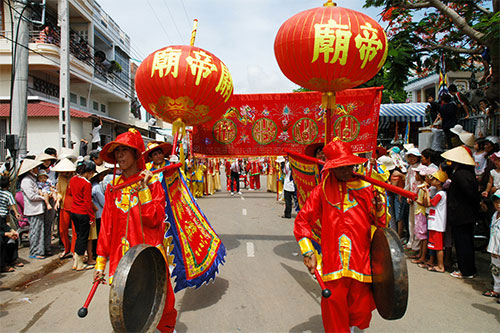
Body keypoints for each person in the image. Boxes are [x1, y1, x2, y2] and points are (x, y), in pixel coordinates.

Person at [294, 138, 386, 332]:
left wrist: (379, 208)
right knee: (334, 308)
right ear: (331, 168)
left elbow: (381, 224)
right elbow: (302, 221)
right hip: (332, 262)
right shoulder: (321, 191)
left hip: (361, 261)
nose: (346, 171)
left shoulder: (366, 188)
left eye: (348, 166)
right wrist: (308, 252)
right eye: (340, 167)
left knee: (361, 310)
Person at [95, 129, 177, 332]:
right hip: (121, 256)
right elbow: (106, 227)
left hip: (149, 253)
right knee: (125, 305)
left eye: (124, 150)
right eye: (117, 152)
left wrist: (143, 189)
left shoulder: (153, 185)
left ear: (136, 154)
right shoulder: (113, 188)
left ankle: (166, 328)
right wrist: (100, 263)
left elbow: (154, 219)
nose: (119, 155)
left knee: (159, 298)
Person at [442, 146, 480, 279]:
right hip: (465, 214)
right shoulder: (466, 173)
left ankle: (466, 270)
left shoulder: (461, 175)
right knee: (465, 242)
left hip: (462, 214)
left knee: (463, 242)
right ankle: (467, 268)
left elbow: (470, 194)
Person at [19, 158, 50, 259]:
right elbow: (31, 196)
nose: (37, 169)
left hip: (38, 209)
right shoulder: (26, 181)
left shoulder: (32, 179)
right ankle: (35, 251)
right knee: (35, 231)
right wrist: (43, 197)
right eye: (36, 168)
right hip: (33, 209)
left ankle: (40, 250)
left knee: (40, 230)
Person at [69, 160, 96, 271]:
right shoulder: (86, 183)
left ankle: (76, 262)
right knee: (83, 238)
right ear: (88, 172)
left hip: (73, 211)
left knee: (78, 235)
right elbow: (87, 202)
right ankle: (80, 263)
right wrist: (92, 217)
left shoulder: (73, 179)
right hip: (82, 212)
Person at [423, 170, 448, 273]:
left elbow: (430, 204)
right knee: (434, 245)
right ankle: (437, 264)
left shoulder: (441, 194)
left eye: (434, 179)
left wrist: (426, 191)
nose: (431, 181)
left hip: (438, 223)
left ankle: (441, 266)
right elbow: (426, 203)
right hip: (433, 222)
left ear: (439, 182)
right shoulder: (438, 193)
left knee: (438, 247)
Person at [52, 158, 76, 259]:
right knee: (62, 230)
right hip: (64, 206)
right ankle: (67, 248)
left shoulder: (75, 178)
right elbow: (60, 193)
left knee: (75, 230)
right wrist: (57, 200)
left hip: (74, 206)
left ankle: (74, 250)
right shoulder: (60, 179)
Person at [0, 176, 23, 272]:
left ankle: (12, 260)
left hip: (3, 225)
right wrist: (6, 233)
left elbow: (2, 224)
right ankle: (2, 265)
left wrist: (11, 230)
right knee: (1, 242)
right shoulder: (8, 194)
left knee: (13, 238)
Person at [482, 190, 500, 301]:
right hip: (494, 247)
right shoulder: (494, 215)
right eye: (496, 202)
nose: (498, 204)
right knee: (495, 269)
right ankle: (496, 289)